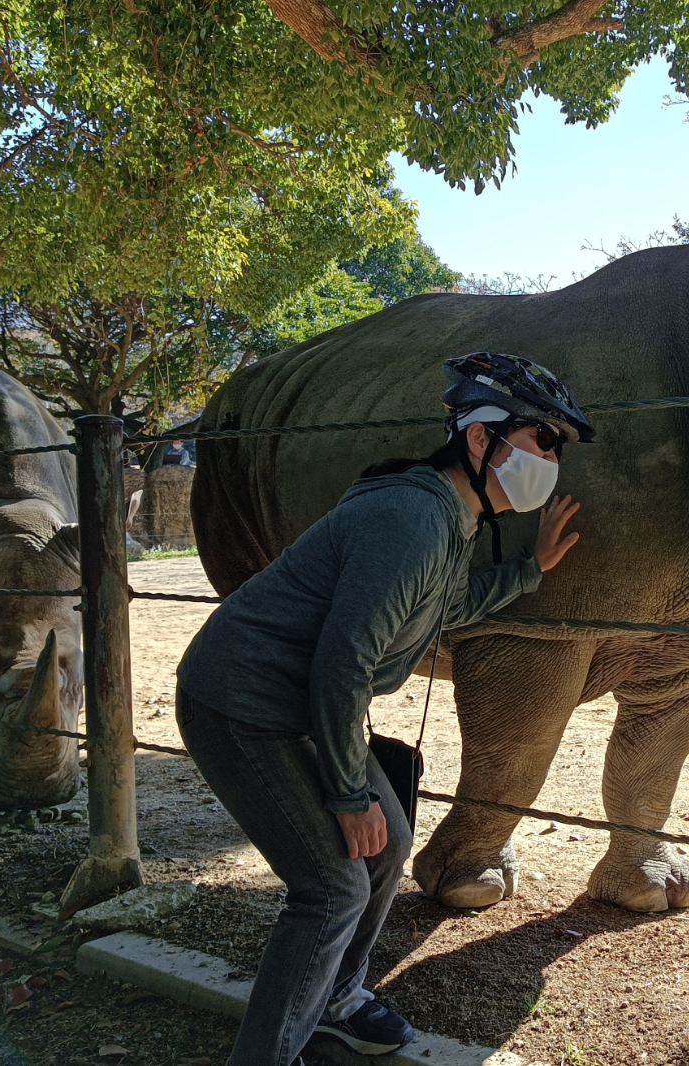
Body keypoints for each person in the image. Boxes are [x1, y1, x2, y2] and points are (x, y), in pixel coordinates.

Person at [175, 353, 594, 1066]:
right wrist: (344, 794)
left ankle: (335, 997)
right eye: (542, 439)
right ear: (479, 438)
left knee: (388, 840)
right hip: (239, 702)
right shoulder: (413, 519)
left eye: (557, 445)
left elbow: (443, 607)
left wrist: (531, 571)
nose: (551, 459)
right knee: (331, 887)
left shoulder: (448, 515)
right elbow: (344, 663)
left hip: (297, 703)